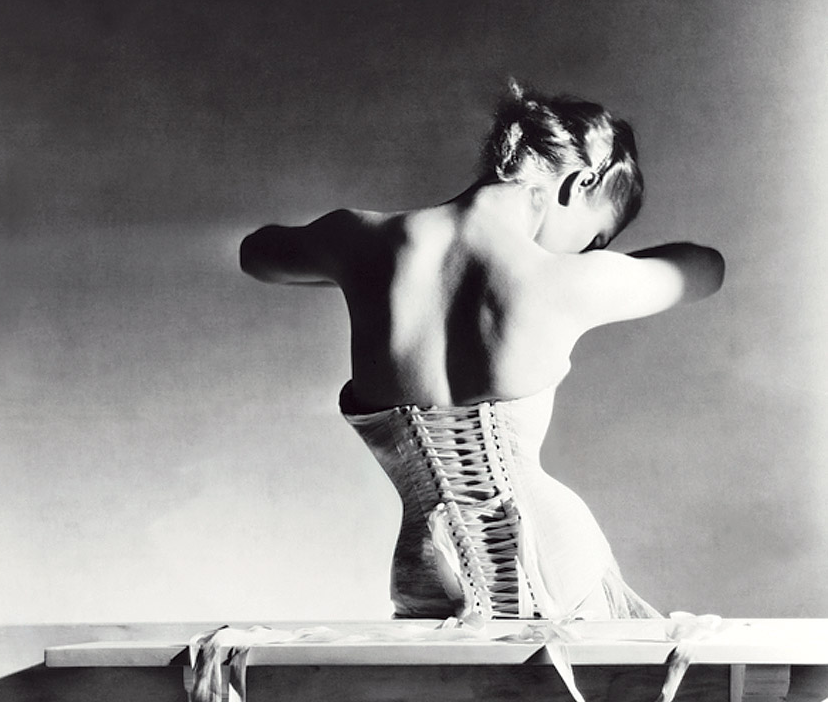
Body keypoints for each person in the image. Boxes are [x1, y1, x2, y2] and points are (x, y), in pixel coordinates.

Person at [240, 82, 724, 624]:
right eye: (597, 236)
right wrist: (599, 264)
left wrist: (350, 267)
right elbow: (706, 267)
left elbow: (256, 253)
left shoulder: (362, 244)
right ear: (582, 181)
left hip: (424, 571)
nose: (590, 249)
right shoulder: (572, 281)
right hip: (552, 565)